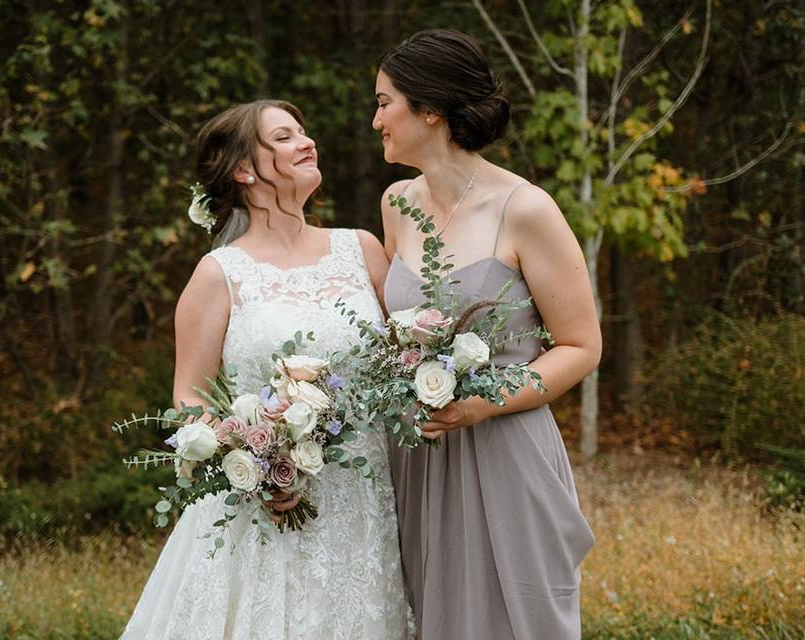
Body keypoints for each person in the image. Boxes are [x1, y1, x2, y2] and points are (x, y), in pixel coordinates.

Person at [120, 99, 413, 639]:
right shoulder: (219, 275)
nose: (306, 142)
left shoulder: (362, 250)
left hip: (364, 502)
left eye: (304, 132)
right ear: (244, 169)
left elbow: (404, 363)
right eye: (284, 137)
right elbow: (190, 397)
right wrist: (252, 459)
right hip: (265, 508)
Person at [372, 29, 599, 640]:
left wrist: (480, 402)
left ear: (429, 110)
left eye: (384, 102)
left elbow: (581, 347)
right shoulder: (396, 203)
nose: (376, 120)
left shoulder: (525, 209)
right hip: (420, 457)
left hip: (505, 449)